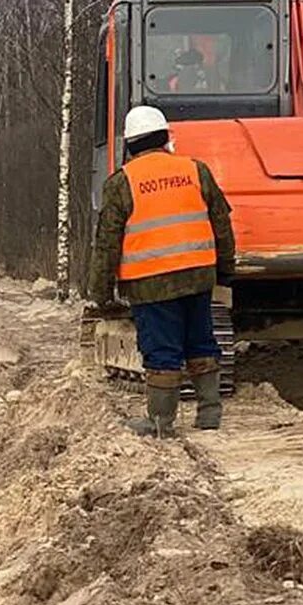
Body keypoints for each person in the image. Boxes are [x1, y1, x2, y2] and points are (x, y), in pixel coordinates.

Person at [89, 105, 236, 437]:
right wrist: (225, 270)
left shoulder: (122, 182)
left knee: (161, 351)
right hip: (198, 276)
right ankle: (210, 413)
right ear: (165, 136)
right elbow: (222, 225)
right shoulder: (196, 170)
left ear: (130, 144)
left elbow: (107, 243)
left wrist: (99, 292)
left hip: (151, 282)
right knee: (201, 340)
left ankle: (160, 421)